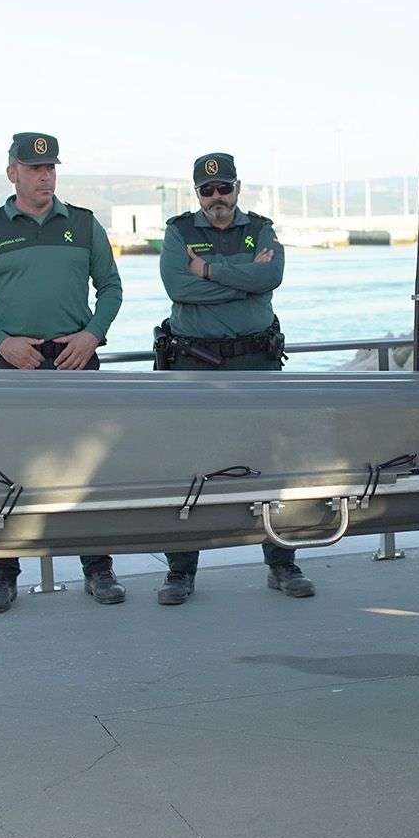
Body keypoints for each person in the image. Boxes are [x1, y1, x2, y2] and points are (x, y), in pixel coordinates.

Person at [0, 132, 126, 612]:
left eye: (50, 168)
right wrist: (1, 342)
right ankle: (2, 575)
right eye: (33, 168)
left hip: (75, 362)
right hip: (11, 367)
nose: (45, 176)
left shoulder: (84, 224)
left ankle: (98, 568)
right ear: (13, 173)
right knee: (5, 471)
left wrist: (92, 335)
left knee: (87, 470)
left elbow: (110, 288)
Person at [151, 152, 314, 605]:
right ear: (197, 193)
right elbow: (178, 287)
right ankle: (180, 571)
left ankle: (282, 564)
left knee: (271, 463)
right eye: (207, 190)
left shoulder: (260, 228)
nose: (216, 196)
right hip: (193, 367)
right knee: (189, 468)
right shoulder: (179, 232)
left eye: (224, 187)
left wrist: (207, 270)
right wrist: (245, 281)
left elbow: (272, 275)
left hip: (256, 363)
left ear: (237, 187)